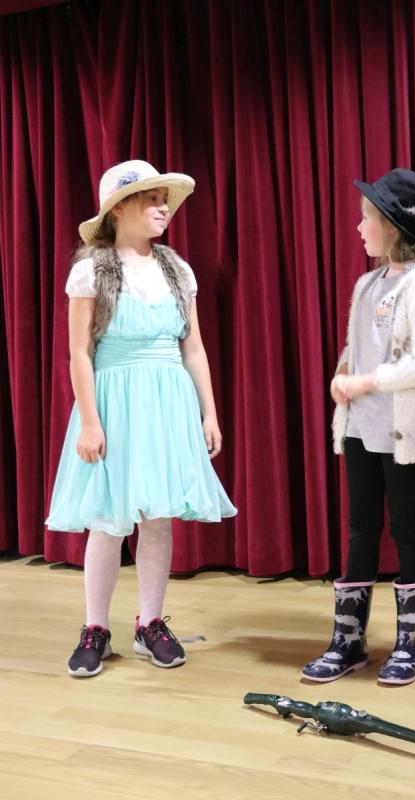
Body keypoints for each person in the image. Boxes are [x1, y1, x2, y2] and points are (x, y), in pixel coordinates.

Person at [46, 160, 237, 678]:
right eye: (150, 199)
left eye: (163, 199)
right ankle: (95, 627)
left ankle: (150, 623)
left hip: (166, 401)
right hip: (114, 400)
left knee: (157, 518)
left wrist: (209, 411)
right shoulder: (92, 270)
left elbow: (192, 347)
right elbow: (80, 352)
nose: (162, 208)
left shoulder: (176, 269)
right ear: (119, 209)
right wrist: (90, 421)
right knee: (109, 519)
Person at [302, 168, 415, 686]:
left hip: (402, 432)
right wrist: (343, 371)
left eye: (366, 218)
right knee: (361, 528)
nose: (358, 227)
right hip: (361, 428)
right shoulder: (368, 284)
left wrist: (367, 381)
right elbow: (357, 345)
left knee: (407, 530)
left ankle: (412, 643)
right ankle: (348, 641)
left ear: (393, 227)